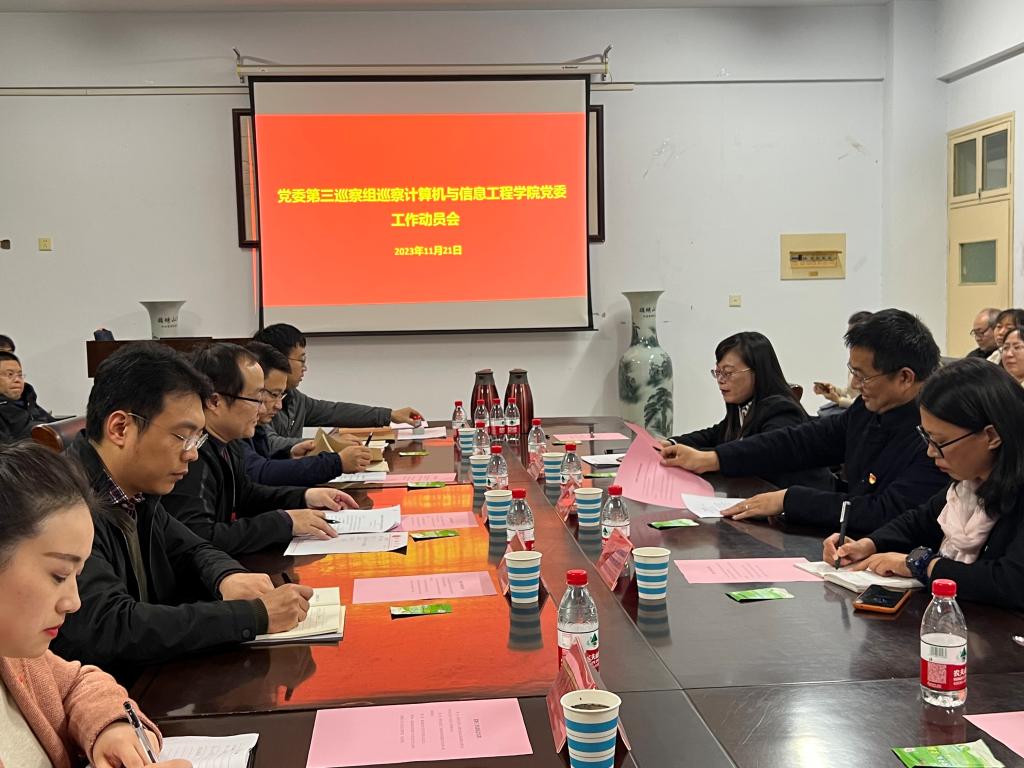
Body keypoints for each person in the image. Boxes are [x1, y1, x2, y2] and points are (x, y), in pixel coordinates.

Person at [52, 342, 313, 684]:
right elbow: (108, 626)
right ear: (120, 428)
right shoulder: (63, 504)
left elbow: (192, 547)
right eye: (182, 437)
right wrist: (253, 615)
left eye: (197, 440)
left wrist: (226, 577)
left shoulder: (135, 491)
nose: (192, 454)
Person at [659, 309, 949, 534]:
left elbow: (883, 512)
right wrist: (713, 458)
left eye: (863, 377)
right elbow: (800, 441)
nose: (854, 385)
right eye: (853, 372)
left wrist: (788, 500)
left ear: (905, 377)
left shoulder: (937, 435)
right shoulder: (867, 409)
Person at [0, 442, 190, 768]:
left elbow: (75, 683)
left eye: (77, 575)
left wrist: (110, 728)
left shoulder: (15, 656)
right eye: (59, 575)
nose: (74, 602)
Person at [824, 358, 1024, 609]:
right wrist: (868, 544)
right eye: (927, 437)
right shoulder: (969, 484)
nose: (930, 452)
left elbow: (1010, 582)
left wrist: (920, 565)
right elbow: (919, 521)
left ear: (991, 436)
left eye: (940, 441)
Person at [162, 343, 356, 555]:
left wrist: (305, 497)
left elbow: (246, 495)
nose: (263, 408)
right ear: (215, 401)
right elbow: (199, 538)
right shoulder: (192, 455)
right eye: (256, 399)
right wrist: (284, 522)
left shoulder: (230, 443)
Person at [664, 331, 832, 490]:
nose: (720, 380)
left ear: (757, 372)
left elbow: (760, 455)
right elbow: (715, 435)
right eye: (718, 372)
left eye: (728, 372)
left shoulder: (782, 410)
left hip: (797, 501)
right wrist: (672, 443)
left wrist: (701, 457)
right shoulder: (743, 404)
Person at [252, 323, 424, 455]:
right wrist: (331, 443)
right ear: (278, 360)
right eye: (301, 360)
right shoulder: (256, 402)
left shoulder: (294, 398)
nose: (305, 368)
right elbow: (270, 443)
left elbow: (335, 411)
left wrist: (389, 415)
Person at [242, 342, 372, 486]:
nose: (278, 405)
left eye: (281, 395)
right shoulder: (234, 436)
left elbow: (334, 411)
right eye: (273, 394)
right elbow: (261, 473)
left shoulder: (256, 427)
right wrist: (337, 462)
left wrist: (290, 454)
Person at [812, 311, 872, 412]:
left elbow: (865, 405)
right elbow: (850, 392)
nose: (850, 342)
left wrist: (839, 400)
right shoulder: (854, 360)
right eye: (848, 337)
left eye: (853, 337)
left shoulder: (873, 364)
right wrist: (834, 390)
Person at [0, 351, 55, 444]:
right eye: (10, 374)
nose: (17, 380)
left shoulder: (28, 400)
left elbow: (54, 426)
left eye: (20, 375)